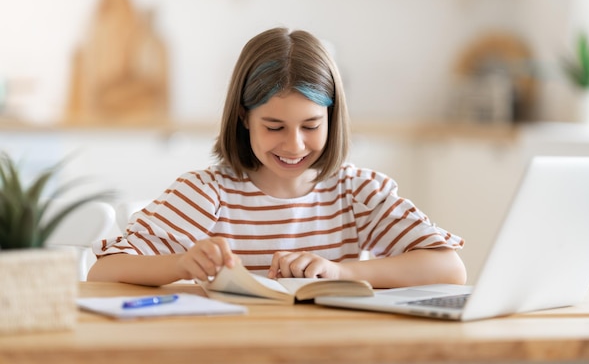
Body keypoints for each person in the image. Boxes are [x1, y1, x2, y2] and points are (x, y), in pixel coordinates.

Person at [88, 27, 466, 288]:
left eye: (311, 125)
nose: (295, 145)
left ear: (333, 119)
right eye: (274, 126)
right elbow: (104, 273)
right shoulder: (207, 193)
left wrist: (339, 272)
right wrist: (179, 264)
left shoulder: (356, 191)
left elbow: (450, 268)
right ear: (243, 118)